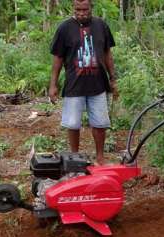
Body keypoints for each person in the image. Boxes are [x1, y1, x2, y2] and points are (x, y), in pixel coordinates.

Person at [48, 0, 117, 165]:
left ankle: (100, 157)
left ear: (91, 7)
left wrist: (113, 78)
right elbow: (57, 57)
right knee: (72, 123)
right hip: (74, 84)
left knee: (100, 123)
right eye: (78, 9)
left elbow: (108, 53)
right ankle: (75, 157)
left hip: (98, 84)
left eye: (85, 9)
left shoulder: (101, 25)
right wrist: (53, 84)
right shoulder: (64, 28)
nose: (81, 13)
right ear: (73, 8)